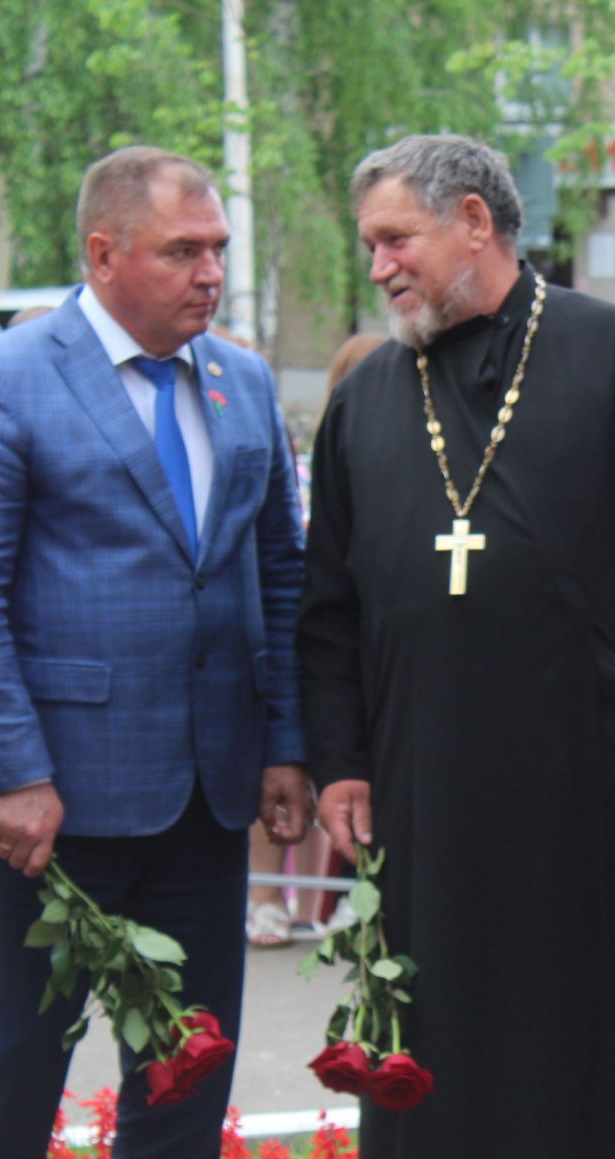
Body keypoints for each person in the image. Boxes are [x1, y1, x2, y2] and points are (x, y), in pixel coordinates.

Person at [297, 134, 615, 1159]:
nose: (382, 267)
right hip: (432, 799)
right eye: (371, 246)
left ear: (474, 222)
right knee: (454, 1066)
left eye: (396, 240)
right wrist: (345, 760)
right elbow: (330, 609)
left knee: (609, 1062)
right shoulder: (366, 397)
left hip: (609, 803)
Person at [0, 145, 314, 1159]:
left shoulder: (238, 380)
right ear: (103, 255)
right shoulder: (5, 375)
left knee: (186, 1067)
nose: (208, 274)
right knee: (17, 1065)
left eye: (217, 251)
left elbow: (276, 572)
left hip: (207, 793)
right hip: (56, 805)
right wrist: (13, 769)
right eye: (181, 251)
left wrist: (287, 743)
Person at [246, 334, 381, 947]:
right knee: (290, 778)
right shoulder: (322, 447)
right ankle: (267, 894)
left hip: (371, 643)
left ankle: (357, 893)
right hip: (312, 634)